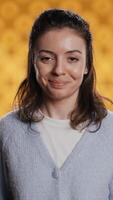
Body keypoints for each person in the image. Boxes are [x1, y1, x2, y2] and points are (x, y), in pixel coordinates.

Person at [0, 8, 113, 200]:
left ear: (86, 65)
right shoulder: (6, 131)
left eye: (72, 59)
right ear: (33, 62)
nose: (59, 70)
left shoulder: (110, 131)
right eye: (46, 58)